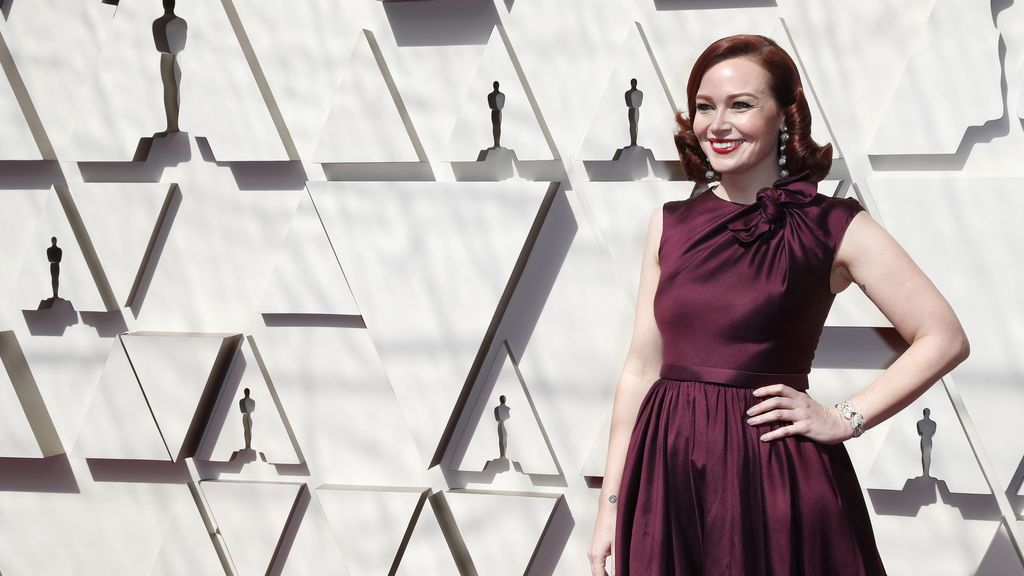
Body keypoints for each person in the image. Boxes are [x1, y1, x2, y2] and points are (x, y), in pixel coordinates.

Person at [588, 34, 970, 575]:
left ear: (784, 116)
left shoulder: (831, 224)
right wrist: (611, 504)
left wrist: (845, 418)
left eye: (741, 104)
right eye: (704, 106)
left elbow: (944, 336)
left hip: (770, 475)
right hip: (667, 470)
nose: (717, 124)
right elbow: (640, 369)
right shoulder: (668, 225)